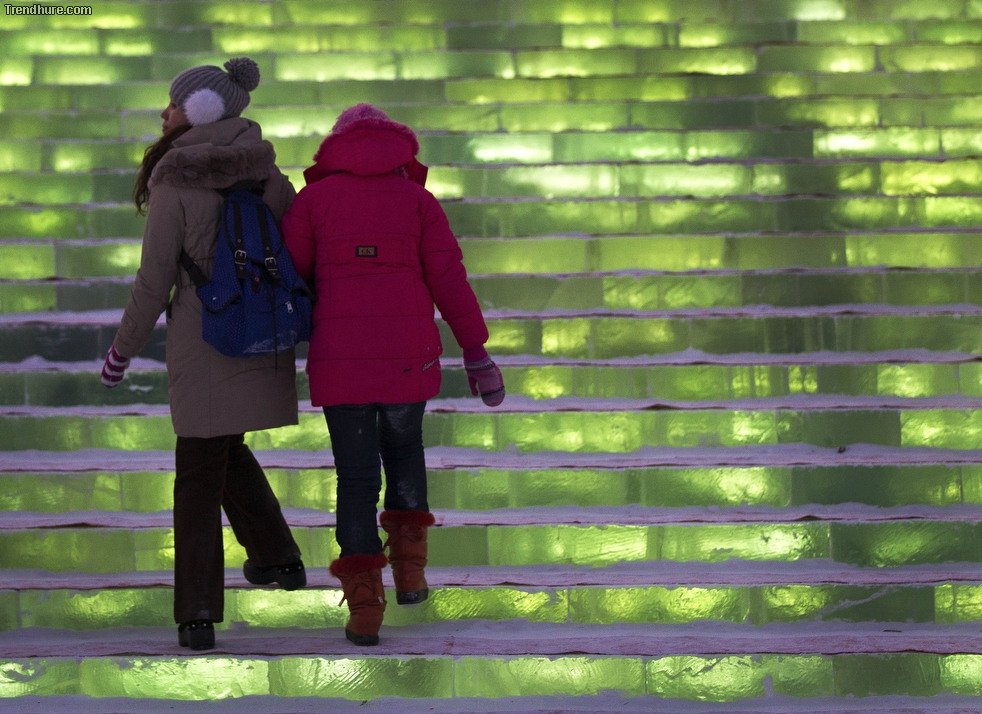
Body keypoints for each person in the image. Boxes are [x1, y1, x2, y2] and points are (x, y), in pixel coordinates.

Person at [100, 57, 305, 651]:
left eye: (174, 103)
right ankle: (277, 557)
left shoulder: (177, 178)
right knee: (222, 446)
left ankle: (196, 612)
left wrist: (122, 350)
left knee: (196, 470)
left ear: (199, 112)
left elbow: (154, 279)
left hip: (203, 339)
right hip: (257, 333)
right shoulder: (268, 174)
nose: (164, 113)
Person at [281, 103, 505, 646]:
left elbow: (293, 277)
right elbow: (449, 279)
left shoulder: (313, 201)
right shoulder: (417, 201)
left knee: (356, 476)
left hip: (341, 358)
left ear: (336, 147)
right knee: (405, 451)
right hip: (408, 354)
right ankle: (410, 574)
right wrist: (476, 351)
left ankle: (365, 608)